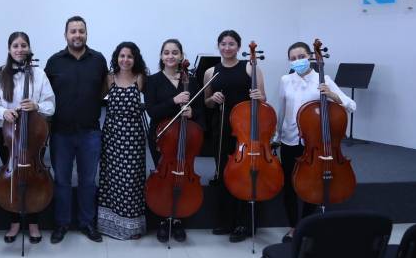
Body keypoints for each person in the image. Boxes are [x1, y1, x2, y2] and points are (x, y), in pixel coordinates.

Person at [276, 41, 356, 242]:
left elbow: (351, 105)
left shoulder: (324, 79)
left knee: (311, 183)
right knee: (289, 184)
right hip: (289, 139)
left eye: (301, 56)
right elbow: (282, 110)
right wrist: (276, 134)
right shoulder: (286, 80)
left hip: (314, 142)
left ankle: (305, 224)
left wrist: (332, 95)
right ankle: (293, 227)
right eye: (293, 58)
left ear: (310, 56)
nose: (298, 61)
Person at [45, 15, 108, 243]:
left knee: (88, 181)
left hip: (90, 131)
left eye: (81, 31)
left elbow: (103, 91)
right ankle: (62, 224)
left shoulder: (99, 60)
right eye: (73, 31)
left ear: (86, 34)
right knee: (61, 180)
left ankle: (87, 223)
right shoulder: (54, 62)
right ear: (66, 35)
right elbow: (46, 96)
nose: (77, 35)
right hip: (61, 132)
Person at [0, 31, 55, 244]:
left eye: (23, 45)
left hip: (34, 134)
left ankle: (34, 222)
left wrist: (36, 105)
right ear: (9, 49)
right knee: (12, 178)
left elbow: (51, 105)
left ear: (29, 47)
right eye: (15, 45)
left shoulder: (39, 73)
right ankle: (14, 222)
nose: (20, 49)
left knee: (33, 177)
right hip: (8, 135)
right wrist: (3, 113)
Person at [203, 30, 266, 243]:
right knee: (223, 173)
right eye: (223, 43)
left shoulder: (250, 67)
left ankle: (244, 223)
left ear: (238, 47)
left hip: (245, 130)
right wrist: (213, 98)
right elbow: (206, 103)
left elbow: (263, 98)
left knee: (244, 174)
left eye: (231, 44)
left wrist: (259, 96)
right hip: (221, 127)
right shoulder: (211, 72)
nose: (227, 47)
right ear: (218, 46)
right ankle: (225, 220)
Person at [144, 38, 205, 243]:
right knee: (165, 178)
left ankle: (178, 220)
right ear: (161, 56)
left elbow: (201, 111)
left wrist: (192, 112)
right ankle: (164, 220)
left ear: (181, 56)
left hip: (186, 137)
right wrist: (174, 101)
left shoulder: (192, 80)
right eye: (166, 52)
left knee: (182, 177)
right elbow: (152, 111)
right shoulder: (152, 80)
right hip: (162, 137)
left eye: (175, 52)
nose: (170, 56)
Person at [97, 42, 149, 240]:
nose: (125, 60)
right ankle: (109, 225)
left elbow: (152, 102)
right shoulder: (110, 77)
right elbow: (97, 98)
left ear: (135, 59)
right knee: (110, 179)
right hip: (111, 136)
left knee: (132, 180)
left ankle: (132, 226)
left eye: (129, 56)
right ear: (116, 58)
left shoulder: (141, 78)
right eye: (122, 56)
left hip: (133, 137)